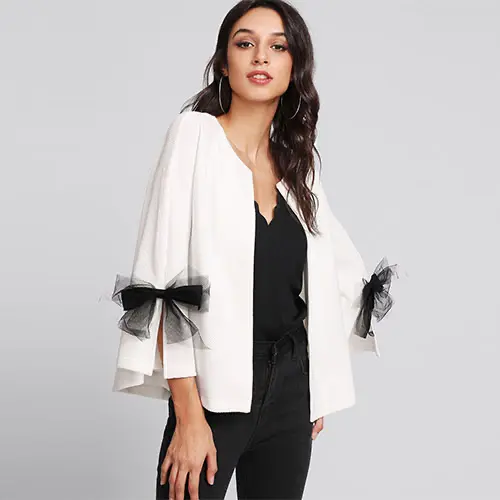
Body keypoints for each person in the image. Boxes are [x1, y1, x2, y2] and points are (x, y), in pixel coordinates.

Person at [110, 1, 398, 499]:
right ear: (225, 62)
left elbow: (327, 275)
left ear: (294, 66)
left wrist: (318, 382)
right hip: (213, 393)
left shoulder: (298, 166)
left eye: (277, 47)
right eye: (245, 43)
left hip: (291, 391)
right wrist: (189, 417)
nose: (260, 57)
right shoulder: (194, 136)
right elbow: (162, 281)